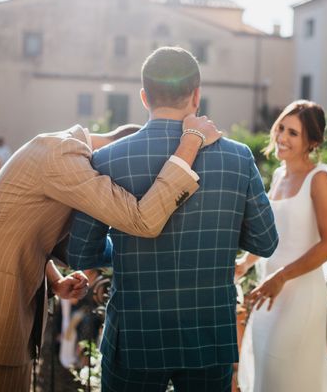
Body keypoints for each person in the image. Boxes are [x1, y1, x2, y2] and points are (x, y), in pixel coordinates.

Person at [0, 115, 220, 392]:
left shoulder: (59, 149)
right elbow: (141, 219)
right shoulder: (63, 154)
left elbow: (21, 231)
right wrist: (190, 143)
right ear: (120, 151)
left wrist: (56, 280)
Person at [68, 46, 278, 392]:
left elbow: (81, 254)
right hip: (208, 335)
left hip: (135, 336)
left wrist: (122, 241)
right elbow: (266, 242)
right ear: (197, 96)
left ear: (144, 96)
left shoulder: (106, 159)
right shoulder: (238, 157)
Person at [236, 100, 327, 392]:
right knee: (265, 370)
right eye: (281, 128)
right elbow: (273, 235)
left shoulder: (319, 177)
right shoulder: (278, 176)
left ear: (312, 141)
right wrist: (244, 264)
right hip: (269, 292)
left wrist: (282, 276)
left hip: (301, 295)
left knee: (286, 374)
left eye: (293, 133)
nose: (282, 137)